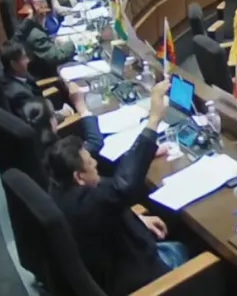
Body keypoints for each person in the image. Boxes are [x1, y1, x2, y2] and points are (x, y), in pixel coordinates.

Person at [46, 81, 189, 296]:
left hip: (116, 257)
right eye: (91, 164)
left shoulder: (59, 188)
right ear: (79, 177)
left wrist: (136, 218)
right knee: (189, 250)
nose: (96, 164)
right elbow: (122, 187)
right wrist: (154, 119)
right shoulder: (88, 204)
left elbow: (111, 199)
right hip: (137, 279)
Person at [18, 86, 103, 156]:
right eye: (53, 115)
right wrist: (81, 106)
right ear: (50, 123)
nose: (55, 116)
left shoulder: (29, 142)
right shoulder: (58, 153)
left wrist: (64, 113)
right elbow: (95, 143)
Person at [1, 40, 74, 120]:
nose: (28, 60)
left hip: (46, 108)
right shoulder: (19, 95)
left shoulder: (16, 75)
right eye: (24, 58)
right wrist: (64, 114)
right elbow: (40, 122)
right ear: (13, 64)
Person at [13, 0, 76, 79]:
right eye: (43, 13)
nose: (45, 15)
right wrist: (72, 44)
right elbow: (57, 57)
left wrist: (54, 41)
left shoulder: (29, 29)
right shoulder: (35, 35)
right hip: (50, 75)